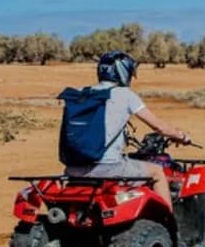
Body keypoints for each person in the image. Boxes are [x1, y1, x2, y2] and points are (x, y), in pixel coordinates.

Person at [62, 50, 191, 208]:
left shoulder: (80, 93)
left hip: (73, 170)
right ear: (124, 72)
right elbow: (160, 127)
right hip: (109, 168)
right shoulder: (125, 95)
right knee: (157, 172)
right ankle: (168, 226)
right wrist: (182, 136)